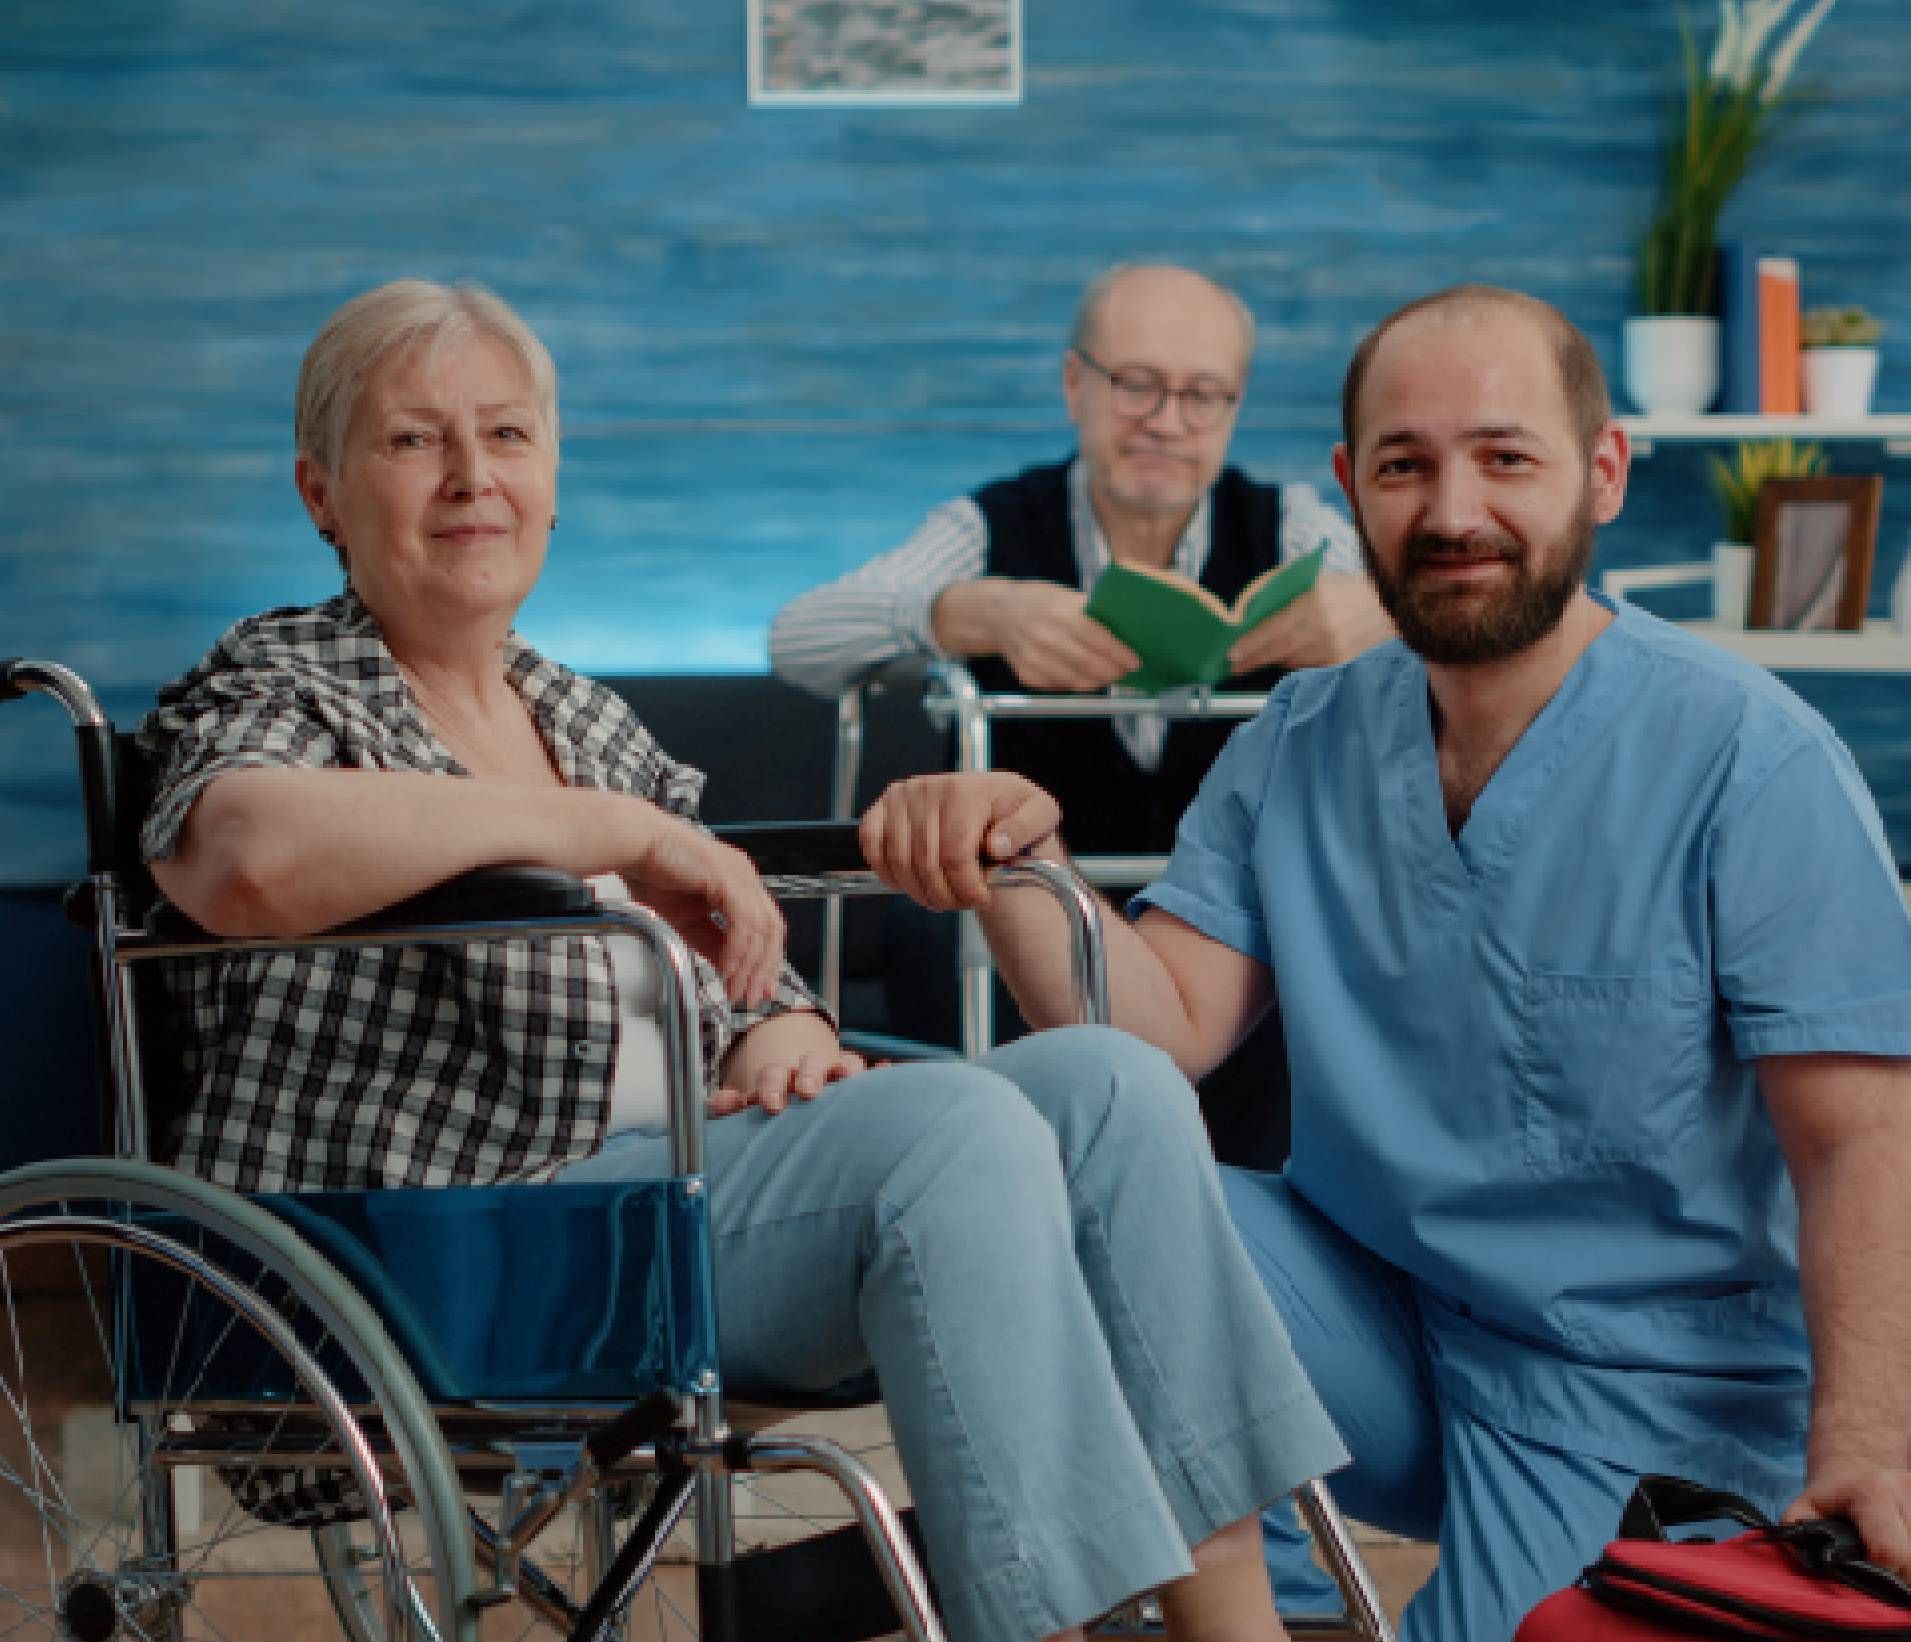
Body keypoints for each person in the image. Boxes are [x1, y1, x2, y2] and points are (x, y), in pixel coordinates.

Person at [136, 278, 1350, 1642]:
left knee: (1111, 1083)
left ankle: (1231, 1626)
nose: (473, 478)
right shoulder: (281, 679)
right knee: (949, 1125)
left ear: (550, 474)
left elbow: (741, 960)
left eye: (508, 436)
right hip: (439, 1245)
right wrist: (602, 828)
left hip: (662, 1213)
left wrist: (775, 1024)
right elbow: (237, 855)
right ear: (322, 490)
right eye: (415, 441)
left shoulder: (576, 712)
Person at [858, 284, 1911, 1641]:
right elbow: (1161, 1027)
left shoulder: (1745, 758)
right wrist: (1018, 863)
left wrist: (1871, 1438)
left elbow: (1858, 1141)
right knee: (1066, 1135)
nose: (1451, 510)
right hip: (1376, 1331)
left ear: (1599, 473)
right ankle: (1244, 1608)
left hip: (1645, 1391)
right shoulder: (1298, 739)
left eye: (1503, 457)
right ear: (1351, 489)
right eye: (1404, 465)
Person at [772, 263, 1393, 1164]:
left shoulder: (1289, 525)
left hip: (1228, 939)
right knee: (922, 927)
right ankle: (996, 1177)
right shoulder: (990, 527)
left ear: (1233, 408)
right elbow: (798, 637)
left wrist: (1377, 612)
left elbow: (1457, 632)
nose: (1167, 421)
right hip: (1023, 926)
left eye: (1202, 395)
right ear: (1076, 383)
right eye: (1136, 384)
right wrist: (971, 612)